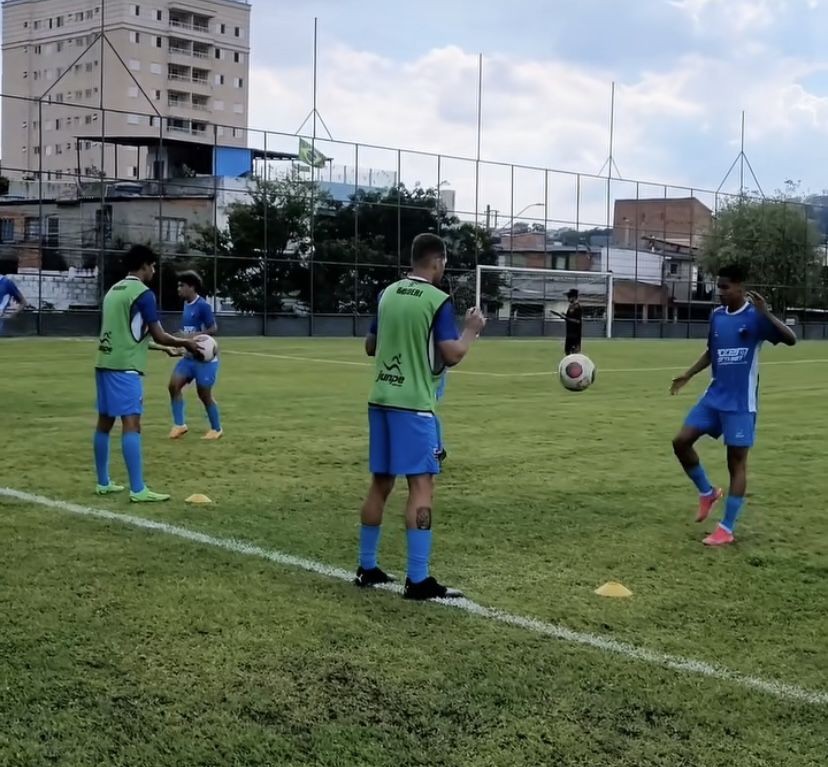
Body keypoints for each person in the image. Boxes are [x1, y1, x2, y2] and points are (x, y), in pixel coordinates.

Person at [356, 232, 486, 600]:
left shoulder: (387, 294)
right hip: (414, 407)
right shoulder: (437, 299)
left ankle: (367, 567)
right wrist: (472, 330)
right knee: (422, 487)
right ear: (438, 261)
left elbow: (370, 346)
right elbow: (453, 353)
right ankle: (418, 578)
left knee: (380, 482)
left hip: (380, 399)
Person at [670, 264, 796, 546]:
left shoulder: (756, 317)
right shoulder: (716, 316)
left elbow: (791, 339)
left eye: (726, 287)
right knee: (681, 441)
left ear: (740, 287)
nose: (721, 292)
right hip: (714, 397)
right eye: (719, 286)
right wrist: (689, 374)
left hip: (740, 403)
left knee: (736, 463)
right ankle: (707, 493)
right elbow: (711, 351)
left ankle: (726, 529)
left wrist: (767, 315)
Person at [94, 245, 200, 502]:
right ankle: (138, 489)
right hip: (125, 368)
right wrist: (185, 343)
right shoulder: (144, 294)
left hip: (104, 362)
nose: (154, 271)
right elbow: (159, 332)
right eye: (152, 266)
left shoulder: (113, 291)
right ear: (143, 266)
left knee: (105, 422)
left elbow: (127, 334)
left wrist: (163, 349)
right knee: (132, 424)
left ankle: (103, 482)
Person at [159, 271, 223, 441]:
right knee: (173, 386)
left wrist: (194, 337)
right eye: (178, 285)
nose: (179, 289)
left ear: (192, 287)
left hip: (204, 360)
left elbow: (213, 328)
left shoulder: (202, 306)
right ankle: (179, 425)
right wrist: (182, 341)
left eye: (182, 286)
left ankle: (216, 429)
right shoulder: (186, 305)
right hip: (188, 358)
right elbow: (187, 332)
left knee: (204, 395)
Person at [563, 288, 582, 354]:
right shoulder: (571, 306)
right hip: (569, 332)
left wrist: (567, 319)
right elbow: (570, 316)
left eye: (569, 297)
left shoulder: (577, 307)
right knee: (567, 351)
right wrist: (565, 315)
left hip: (575, 334)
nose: (568, 299)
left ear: (574, 297)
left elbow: (578, 321)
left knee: (574, 353)